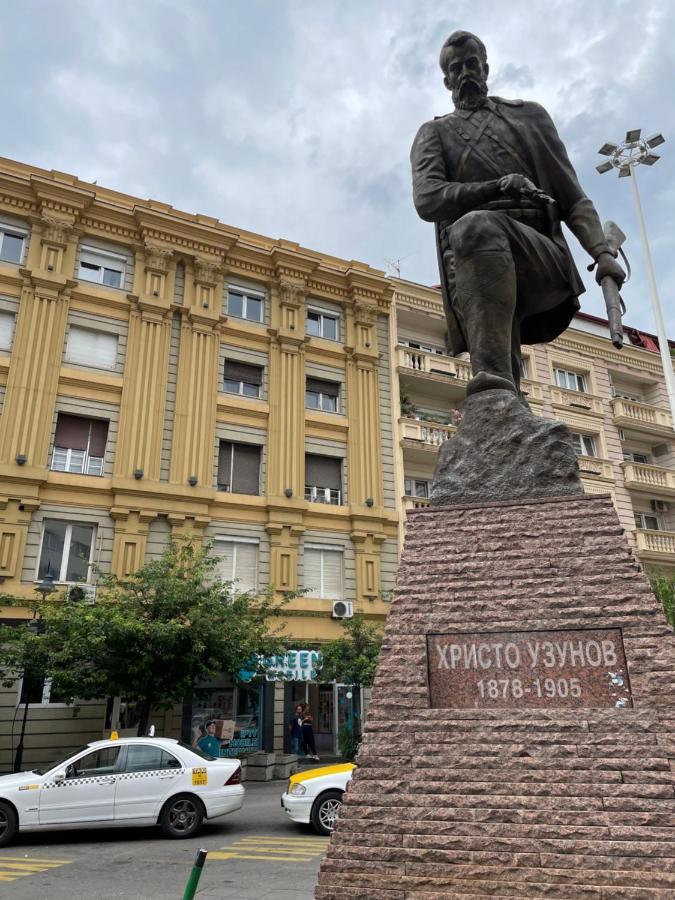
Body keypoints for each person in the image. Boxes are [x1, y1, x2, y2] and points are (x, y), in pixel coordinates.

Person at [410, 30, 625, 402]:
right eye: (456, 68)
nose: (465, 73)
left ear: (486, 66)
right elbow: (428, 200)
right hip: (473, 261)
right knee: (477, 233)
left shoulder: (528, 118)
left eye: (472, 63)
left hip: (539, 254)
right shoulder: (434, 133)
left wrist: (602, 255)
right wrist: (496, 188)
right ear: (446, 79)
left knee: (477, 228)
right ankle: (501, 403)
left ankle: (492, 390)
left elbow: (571, 196)